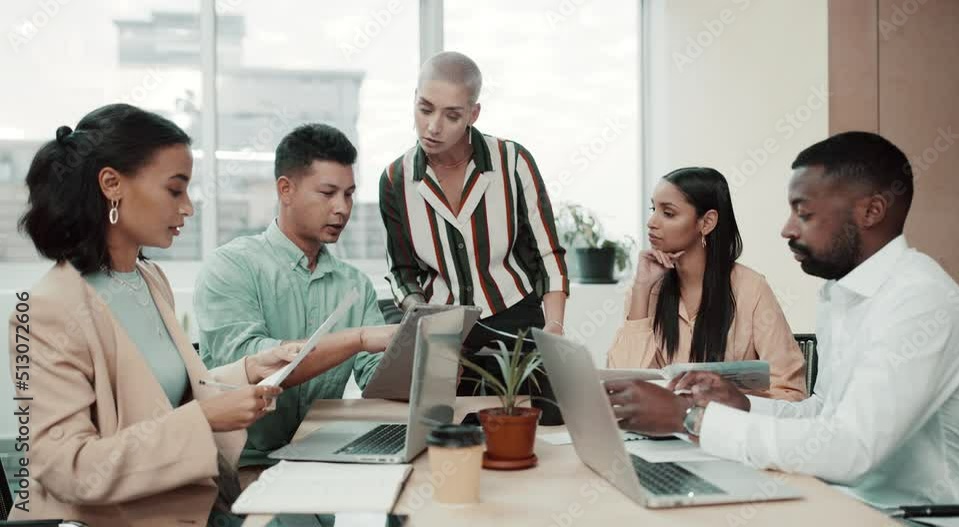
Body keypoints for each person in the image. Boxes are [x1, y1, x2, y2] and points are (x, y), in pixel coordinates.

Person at [605, 132, 959, 524]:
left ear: (872, 211)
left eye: (804, 213)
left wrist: (690, 417)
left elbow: (850, 450)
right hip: (851, 504)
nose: (787, 229)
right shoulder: (841, 295)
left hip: (928, 518)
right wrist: (742, 404)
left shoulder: (920, 301)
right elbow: (823, 415)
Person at [9, 103, 298, 525]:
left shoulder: (148, 278)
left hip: (186, 505)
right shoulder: (48, 309)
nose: (188, 208)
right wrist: (201, 420)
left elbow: (159, 397)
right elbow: (67, 470)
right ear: (111, 184)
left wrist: (252, 370)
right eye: (174, 190)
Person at [195, 123, 397, 468]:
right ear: (285, 190)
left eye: (348, 194)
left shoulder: (355, 284)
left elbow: (374, 376)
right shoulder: (230, 266)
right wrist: (358, 339)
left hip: (320, 461)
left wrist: (416, 358)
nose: (343, 208)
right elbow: (254, 365)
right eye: (327, 193)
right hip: (241, 469)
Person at [379, 51, 569, 394]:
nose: (433, 126)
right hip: (441, 328)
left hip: (517, 321)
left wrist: (554, 327)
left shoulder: (513, 162)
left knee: (532, 427)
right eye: (425, 109)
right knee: (449, 433)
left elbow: (547, 253)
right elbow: (401, 271)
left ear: (473, 113)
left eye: (452, 115)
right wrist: (425, 320)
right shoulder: (395, 179)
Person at [607, 167, 806, 401]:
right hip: (660, 432)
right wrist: (641, 289)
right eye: (653, 209)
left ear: (707, 222)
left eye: (668, 213)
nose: (651, 222)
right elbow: (620, 387)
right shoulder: (645, 290)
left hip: (729, 430)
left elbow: (791, 392)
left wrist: (728, 403)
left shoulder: (751, 288)